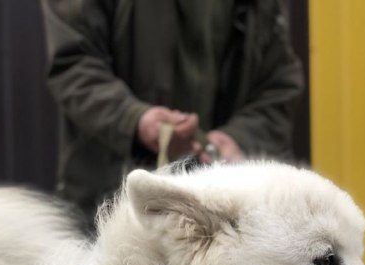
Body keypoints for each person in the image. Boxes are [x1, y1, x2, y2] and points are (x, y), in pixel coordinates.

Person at [40, 0, 304, 221]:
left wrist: (239, 137)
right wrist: (134, 119)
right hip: (111, 208)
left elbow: (279, 83)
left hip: (224, 213)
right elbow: (73, 63)